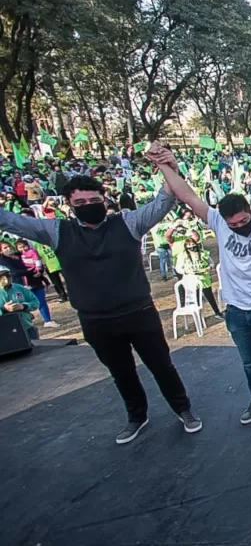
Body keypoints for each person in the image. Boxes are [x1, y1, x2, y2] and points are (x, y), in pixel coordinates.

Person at [0, 170, 201, 445]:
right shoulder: (56, 231)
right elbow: (11, 221)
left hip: (139, 313)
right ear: (69, 205)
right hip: (96, 321)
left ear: (104, 200)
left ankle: (183, 409)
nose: (88, 206)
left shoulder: (128, 223)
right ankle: (136, 416)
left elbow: (164, 201)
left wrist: (168, 165)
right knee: (121, 373)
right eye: (80, 203)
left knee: (162, 366)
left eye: (93, 200)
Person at [150, 145, 251, 427]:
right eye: (233, 224)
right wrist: (165, 166)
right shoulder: (218, 224)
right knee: (249, 363)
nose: (238, 226)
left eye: (243, 221)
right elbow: (188, 195)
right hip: (236, 310)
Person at [175, 234, 224, 318]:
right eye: (189, 246)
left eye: (193, 245)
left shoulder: (203, 253)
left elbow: (211, 262)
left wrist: (209, 267)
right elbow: (178, 268)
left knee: (209, 296)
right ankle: (198, 316)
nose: (192, 247)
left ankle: (217, 312)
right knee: (196, 298)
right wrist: (187, 271)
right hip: (191, 280)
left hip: (204, 278)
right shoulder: (182, 255)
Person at [0, 265, 40, 341]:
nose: (5, 278)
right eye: (1, 276)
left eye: (7, 275)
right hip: (5, 331)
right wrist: (4, 308)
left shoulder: (19, 288)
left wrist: (24, 306)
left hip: (26, 326)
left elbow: (35, 302)